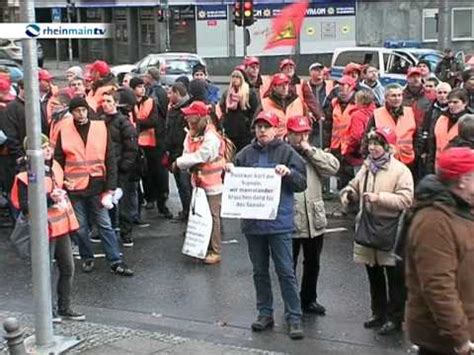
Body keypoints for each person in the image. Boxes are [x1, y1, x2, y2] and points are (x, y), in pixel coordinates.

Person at [229, 110, 307, 339]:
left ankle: (294, 316)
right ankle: (265, 313)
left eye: (267, 127)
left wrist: (288, 173)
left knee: (285, 271)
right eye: (259, 126)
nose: (262, 130)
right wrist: (229, 172)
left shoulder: (286, 152)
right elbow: (235, 184)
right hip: (253, 223)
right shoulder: (245, 154)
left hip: (279, 222)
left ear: (276, 129)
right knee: (259, 271)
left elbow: (301, 183)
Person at [340, 127, 414, 335]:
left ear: (387, 147)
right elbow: (353, 186)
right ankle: (378, 312)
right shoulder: (366, 167)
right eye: (370, 144)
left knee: (394, 278)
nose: (372, 148)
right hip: (367, 227)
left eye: (377, 144)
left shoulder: (400, 170)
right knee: (373, 273)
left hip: (390, 230)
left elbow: (406, 199)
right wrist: (349, 195)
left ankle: (395, 318)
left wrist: (379, 197)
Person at [54, 96, 134, 276]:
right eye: (77, 111)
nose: (81, 114)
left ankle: (115, 260)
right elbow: (58, 160)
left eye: (83, 110)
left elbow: (110, 158)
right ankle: (87, 257)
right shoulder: (64, 130)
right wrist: (59, 184)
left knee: (105, 224)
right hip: (74, 186)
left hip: (97, 185)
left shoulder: (100, 128)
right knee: (81, 227)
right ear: (72, 113)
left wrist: (111, 186)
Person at [405, 147, 474, 355]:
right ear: (463, 180)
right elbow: (438, 286)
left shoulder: (461, 210)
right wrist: (460, 338)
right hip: (445, 343)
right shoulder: (434, 222)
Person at [11, 134, 85, 322]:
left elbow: (56, 186)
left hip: (59, 227)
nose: (48, 150)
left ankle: (64, 307)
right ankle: (49, 311)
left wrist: (63, 189)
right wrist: (49, 199)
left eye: (48, 147)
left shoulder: (54, 168)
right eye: (43, 148)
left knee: (68, 267)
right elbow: (24, 205)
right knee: (45, 272)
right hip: (43, 229)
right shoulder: (25, 176)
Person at [286, 115, 339, 315]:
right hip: (291, 218)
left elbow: (333, 168)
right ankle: (291, 302)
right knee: (288, 265)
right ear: (289, 134)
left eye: (305, 133)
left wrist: (310, 151)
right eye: (298, 134)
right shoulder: (283, 153)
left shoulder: (314, 153)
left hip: (313, 218)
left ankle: (309, 299)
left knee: (313, 263)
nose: (302, 138)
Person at [174, 101, 225, 264]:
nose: (186, 116)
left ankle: (215, 250)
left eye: (190, 114)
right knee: (199, 215)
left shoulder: (211, 136)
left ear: (200, 116)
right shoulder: (191, 133)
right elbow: (187, 151)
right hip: (197, 181)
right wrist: (186, 161)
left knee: (213, 216)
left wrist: (180, 163)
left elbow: (202, 156)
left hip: (212, 183)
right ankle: (201, 247)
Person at [98, 90, 138, 247]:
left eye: (108, 101)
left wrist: (123, 166)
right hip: (106, 168)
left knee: (123, 203)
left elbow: (131, 148)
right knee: (107, 202)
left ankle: (126, 233)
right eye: (103, 101)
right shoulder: (101, 121)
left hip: (120, 169)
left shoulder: (123, 122)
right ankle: (108, 231)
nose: (105, 104)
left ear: (115, 102)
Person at [130, 77, 171, 218]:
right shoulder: (131, 103)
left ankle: (162, 202)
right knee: (145, 173)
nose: (142, 89)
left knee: (158, 172)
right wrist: (140, 123)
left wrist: (137, 124)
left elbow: (153, 121)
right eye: (139, 87)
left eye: (143, 86)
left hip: (153, 143)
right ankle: (150, 199)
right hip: (138, 144)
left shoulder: (150, 102)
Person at [366, 83, 417, 170]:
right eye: (393, 96)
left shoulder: (410, 112)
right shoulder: (377, 114)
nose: (397, 98)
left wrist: (417, 152)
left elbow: (417, 135)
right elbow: (367, 136)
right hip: (384, 160)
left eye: (399, 95)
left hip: (407, 159)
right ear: (386, 98)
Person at [323, 75, 357, 189]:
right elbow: (327, 126)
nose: (342, 90)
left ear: (352, 89)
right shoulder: (334, 104)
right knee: (339, 173)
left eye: (345, 87)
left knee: (351, 175)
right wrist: (326, 145)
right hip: (336, 145)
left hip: (351, 147)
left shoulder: (358, 105)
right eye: (340, 87)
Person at [426, 88, 470, 171]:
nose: (451, 105)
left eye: (455, 102)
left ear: (465, 103)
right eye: (449, 102)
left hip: (459, 168)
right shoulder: (441, 118)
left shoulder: (470, 122)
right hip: (438, 166)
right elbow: (432, 143)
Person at [166, 82, 192, 220]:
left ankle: (189, 212)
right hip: (174, 152)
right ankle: (185, 210)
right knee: (180, 185)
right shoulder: (173, 109)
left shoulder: (186, 110)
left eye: (171, 93)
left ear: (177, 93)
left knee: (185, 185)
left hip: (182, 152)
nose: (168, 96)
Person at [219, 69, 258, 152]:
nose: (235, 79)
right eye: (233, 76)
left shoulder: (249, 93)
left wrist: (249, 125)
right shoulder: (227, 94)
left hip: (245, 133)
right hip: (230, 131)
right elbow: (222, 108)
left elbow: (255, 111)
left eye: (238, 77)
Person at [418, 82, 452, 175]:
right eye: (439, 93)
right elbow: (424, 130)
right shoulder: (429, 109)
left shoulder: (453, 111)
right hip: (431, 149)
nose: (442, 95)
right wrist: (423, 150)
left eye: (445, 93)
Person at [260, 73, 306, 139]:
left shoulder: (298, 101)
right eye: (281, 85)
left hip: (295, 142)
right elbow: (255, 127)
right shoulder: (264, 103)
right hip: (274, 143)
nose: (284, 87)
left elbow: (306, 121)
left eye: (286, 84)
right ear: (274, 87)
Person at [343, 90, 376, 173]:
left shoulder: (357, 115)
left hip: (357, 152)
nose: (354, 101)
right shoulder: (376, 112)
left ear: (361, 101)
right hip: (372, 150)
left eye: (356, 99)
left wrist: (348, 148)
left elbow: (356, 135)